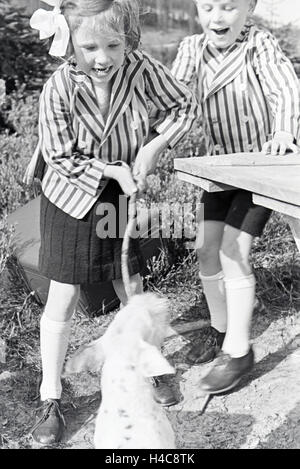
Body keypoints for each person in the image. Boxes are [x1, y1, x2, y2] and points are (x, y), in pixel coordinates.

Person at [26, 0, 199, 445]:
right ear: (69, 42)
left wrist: (152, 148)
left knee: (130, 283)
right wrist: (109, 170)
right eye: (89, 46)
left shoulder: (141, 68)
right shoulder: (58, 87)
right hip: (69, 195)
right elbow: (60, 156)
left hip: (119, 193)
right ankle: (52, 397)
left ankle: (152, 367)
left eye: (113, 45)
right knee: (63, 295)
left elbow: (184, 107)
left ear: (129, 40)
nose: (101, 57)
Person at [172, 0, 300, 394]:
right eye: (208, 7)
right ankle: (221, 326)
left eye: (229, 7)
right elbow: (175, 97)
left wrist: (283, 132)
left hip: (264, 164)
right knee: (207, 249)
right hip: (224, 169)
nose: (217, 17)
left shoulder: (258, 43)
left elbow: (285, 88)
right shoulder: (192, 49)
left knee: (234, 250)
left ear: (250, 8)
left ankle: (239, 351)